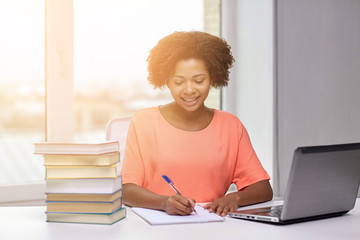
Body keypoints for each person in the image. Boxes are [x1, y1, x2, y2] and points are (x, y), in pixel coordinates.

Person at [120, 31, 273, 217]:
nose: (189, 90)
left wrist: (235, 198)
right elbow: (127, 190)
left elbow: (263, 188)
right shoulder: (144, 122)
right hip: (157, 227)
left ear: (213, 79)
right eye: (179, 82)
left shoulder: (230, 126)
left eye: (199, 80)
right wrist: (164, 203)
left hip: (212, 227)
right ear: (167, 81)